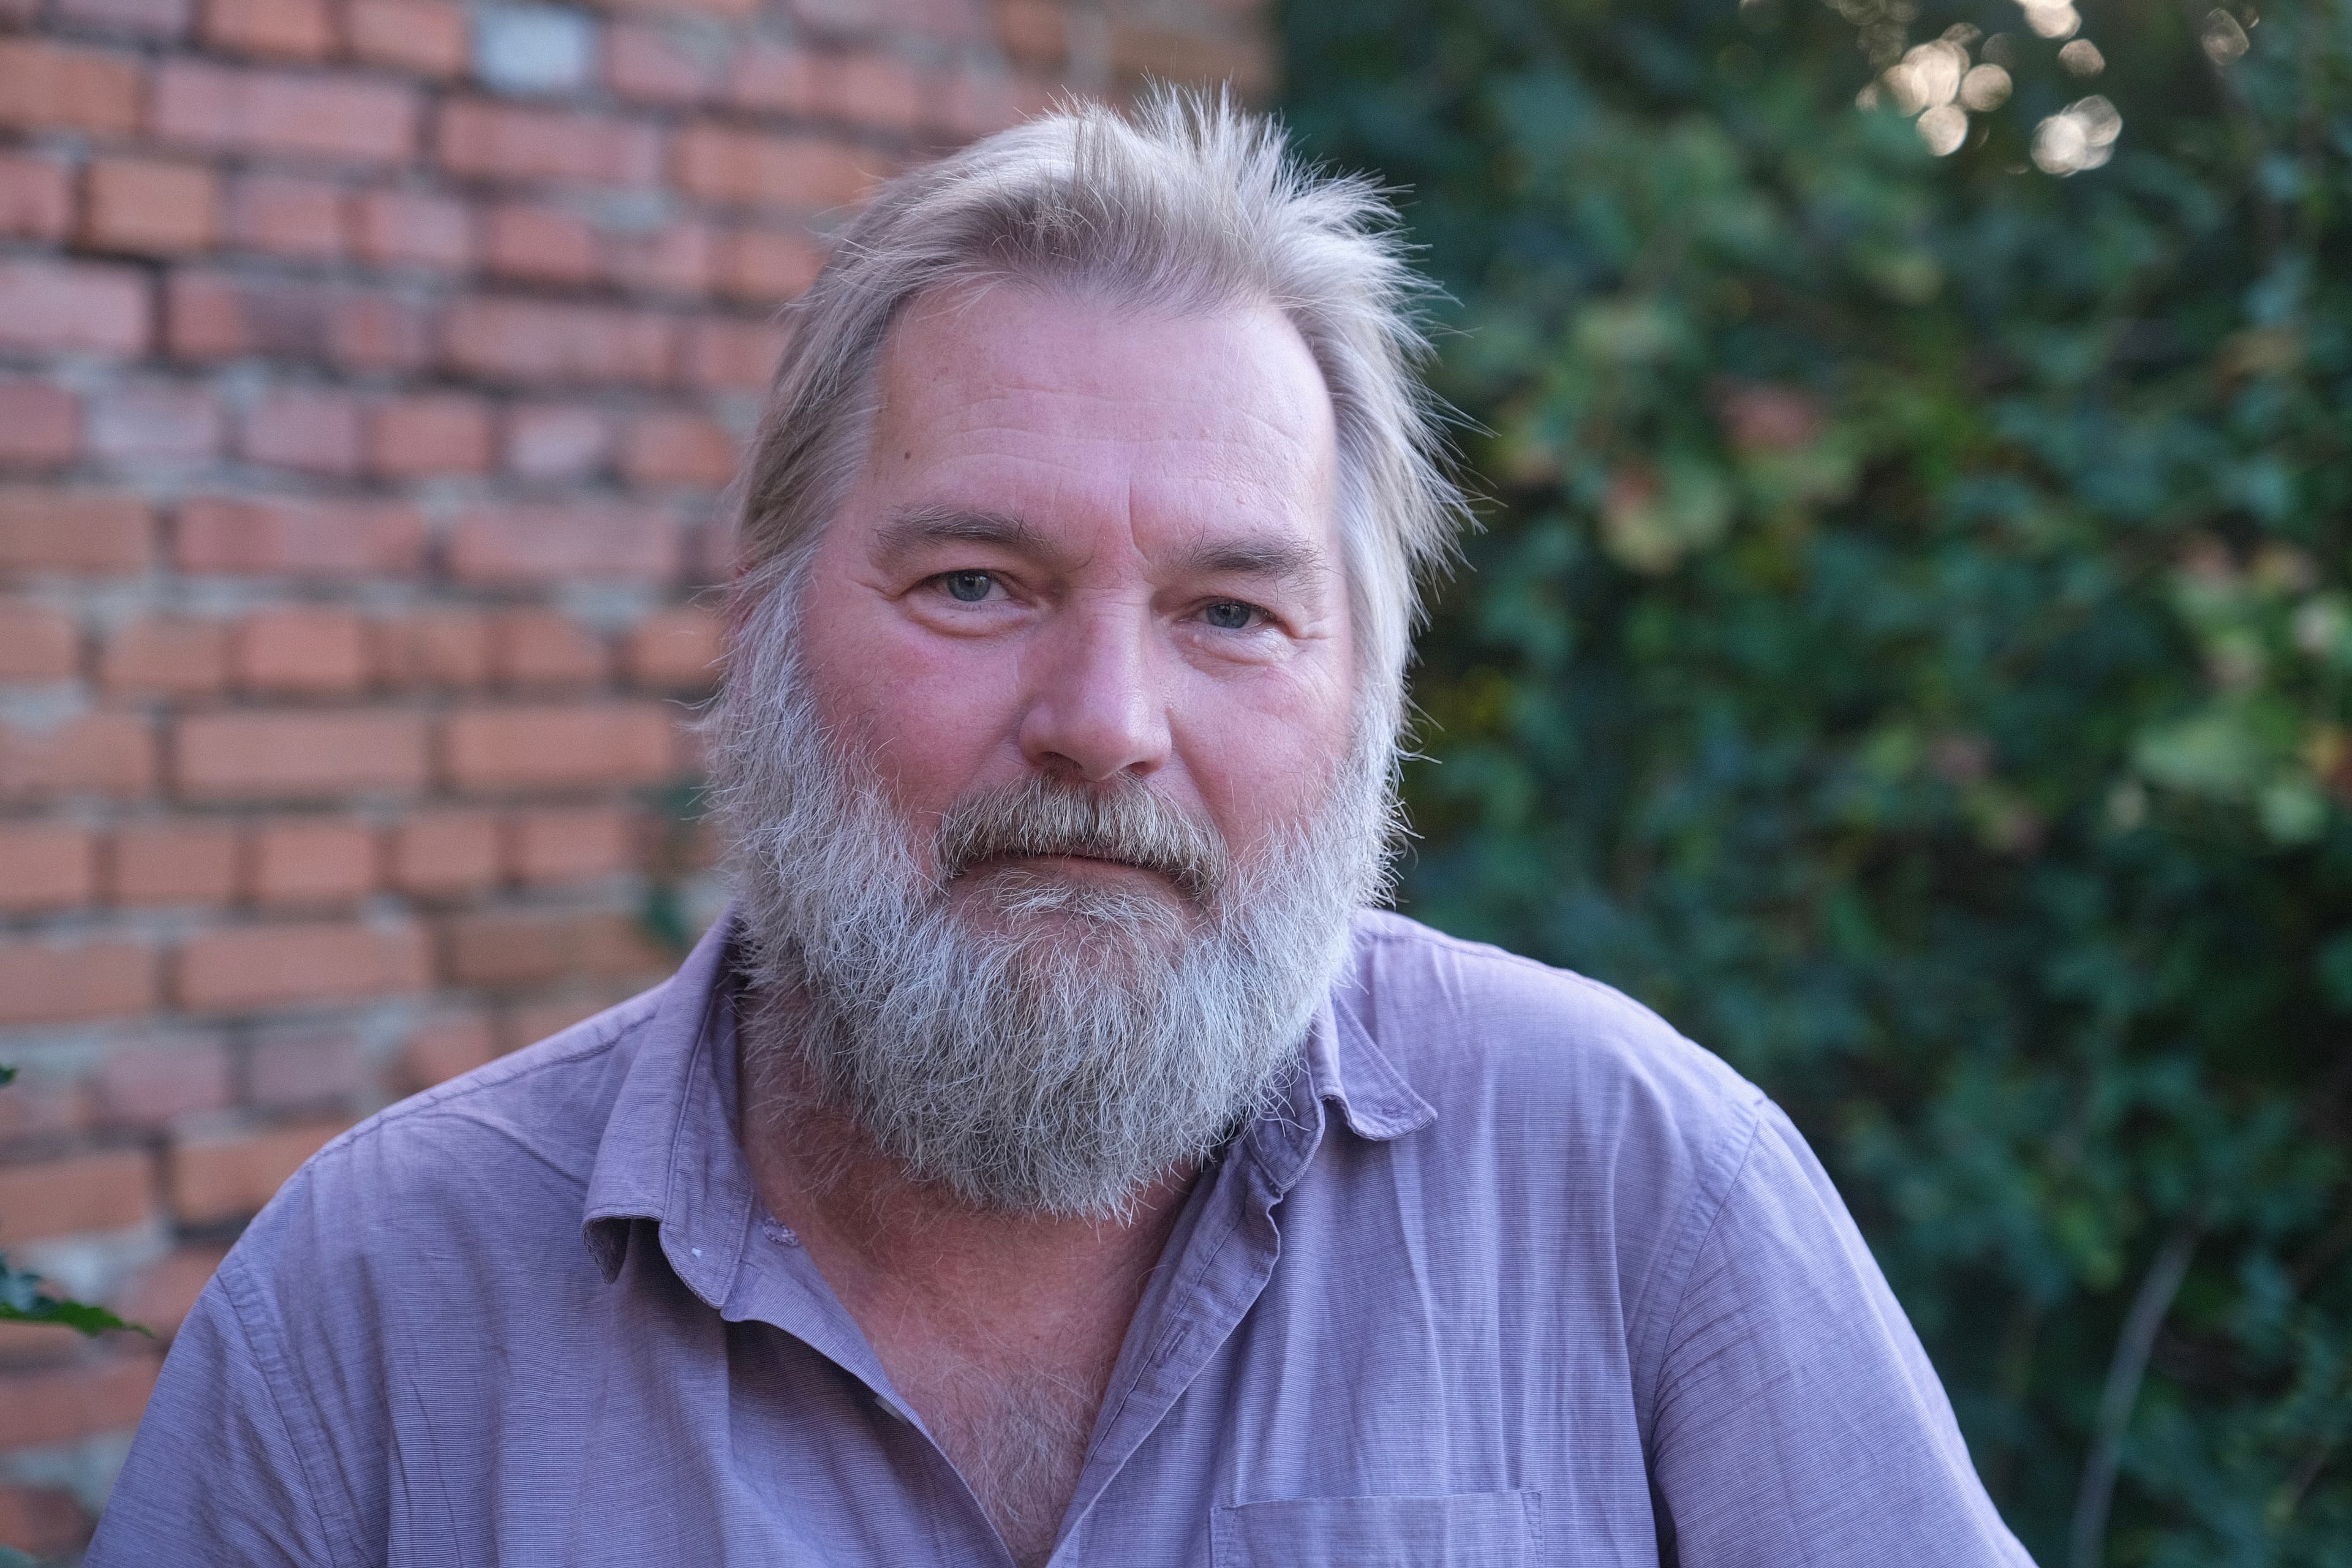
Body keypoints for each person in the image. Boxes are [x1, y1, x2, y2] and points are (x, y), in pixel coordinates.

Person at [89, 92, 2034, 1567]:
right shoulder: (372, 1307)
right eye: (976, 584)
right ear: (761, 623)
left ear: (1367, 694)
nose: (1106, 725)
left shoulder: (1637, 1189)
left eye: (1232, 613)